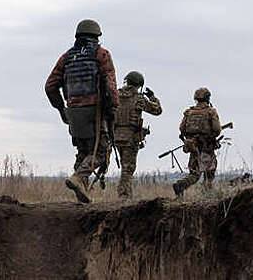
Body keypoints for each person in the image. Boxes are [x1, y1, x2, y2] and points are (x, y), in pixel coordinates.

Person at [45, 19, 119, 203]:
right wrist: (113, 109)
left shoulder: (66, 57)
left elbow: (50, 86)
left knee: (83, 150)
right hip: (95, 111)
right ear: (96, 36)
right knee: (100, 152)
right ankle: (78, 178)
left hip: (74, 111)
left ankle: (82, 192)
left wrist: (62, 109)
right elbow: (110, 86)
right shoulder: (101, 54)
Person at [114, 71, 162, 200]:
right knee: (128, 168)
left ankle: (126, 195)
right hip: (130, 137)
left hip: (116, 136)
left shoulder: (115, 95)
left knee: (125, 166)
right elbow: (157, 110)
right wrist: (152, 97)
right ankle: (124, 196)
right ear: (139, 84)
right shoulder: (139, 98)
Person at [173, 87, 222, 197]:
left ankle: (181, 185)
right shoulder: (211, 111)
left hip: (192, 146)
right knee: (210, 170)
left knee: (194, 173)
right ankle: (207, 194)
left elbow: (182, 129)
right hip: (206, 146)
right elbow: (217, 130)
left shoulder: (189, 112)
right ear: (207, 98)